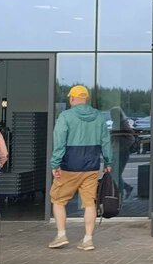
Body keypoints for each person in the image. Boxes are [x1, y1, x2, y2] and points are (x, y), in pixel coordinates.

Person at [48, 85, 112, 251]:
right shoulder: (99, 117)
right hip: (91, 165)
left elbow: (59, 141)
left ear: (72, 98)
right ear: (86, 99)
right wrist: (108, 162)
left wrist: (55, 163)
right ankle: (88, 239)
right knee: (89, 203)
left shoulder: (66, 116)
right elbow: (106, 141)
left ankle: (61, 235)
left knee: (58, 200)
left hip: (69, 166)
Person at [109, 106, 136, 199]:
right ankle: (125, 188)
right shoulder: (117, 123)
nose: (111, 116)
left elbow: (131, 138)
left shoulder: (122, 124)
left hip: (122, 153)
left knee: (116, 174)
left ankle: (120, 193)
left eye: (112, 114)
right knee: (115, 173)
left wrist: (122, 147)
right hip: (116, 152)